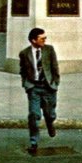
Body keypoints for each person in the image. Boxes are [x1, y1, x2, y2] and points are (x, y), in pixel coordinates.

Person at [19, 28, 60, 156]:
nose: (44, 40)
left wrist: (55, 83)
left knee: (50, 113)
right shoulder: (24, 53)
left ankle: (50, 122)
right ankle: (34, 141)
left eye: (45, 38)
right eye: (42, 38)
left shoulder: (49, 50)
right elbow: (23, 70)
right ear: (33, 40)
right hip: (34, 87)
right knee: (34, 114)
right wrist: (26, 84)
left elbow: (55, 67)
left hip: (48, 87)